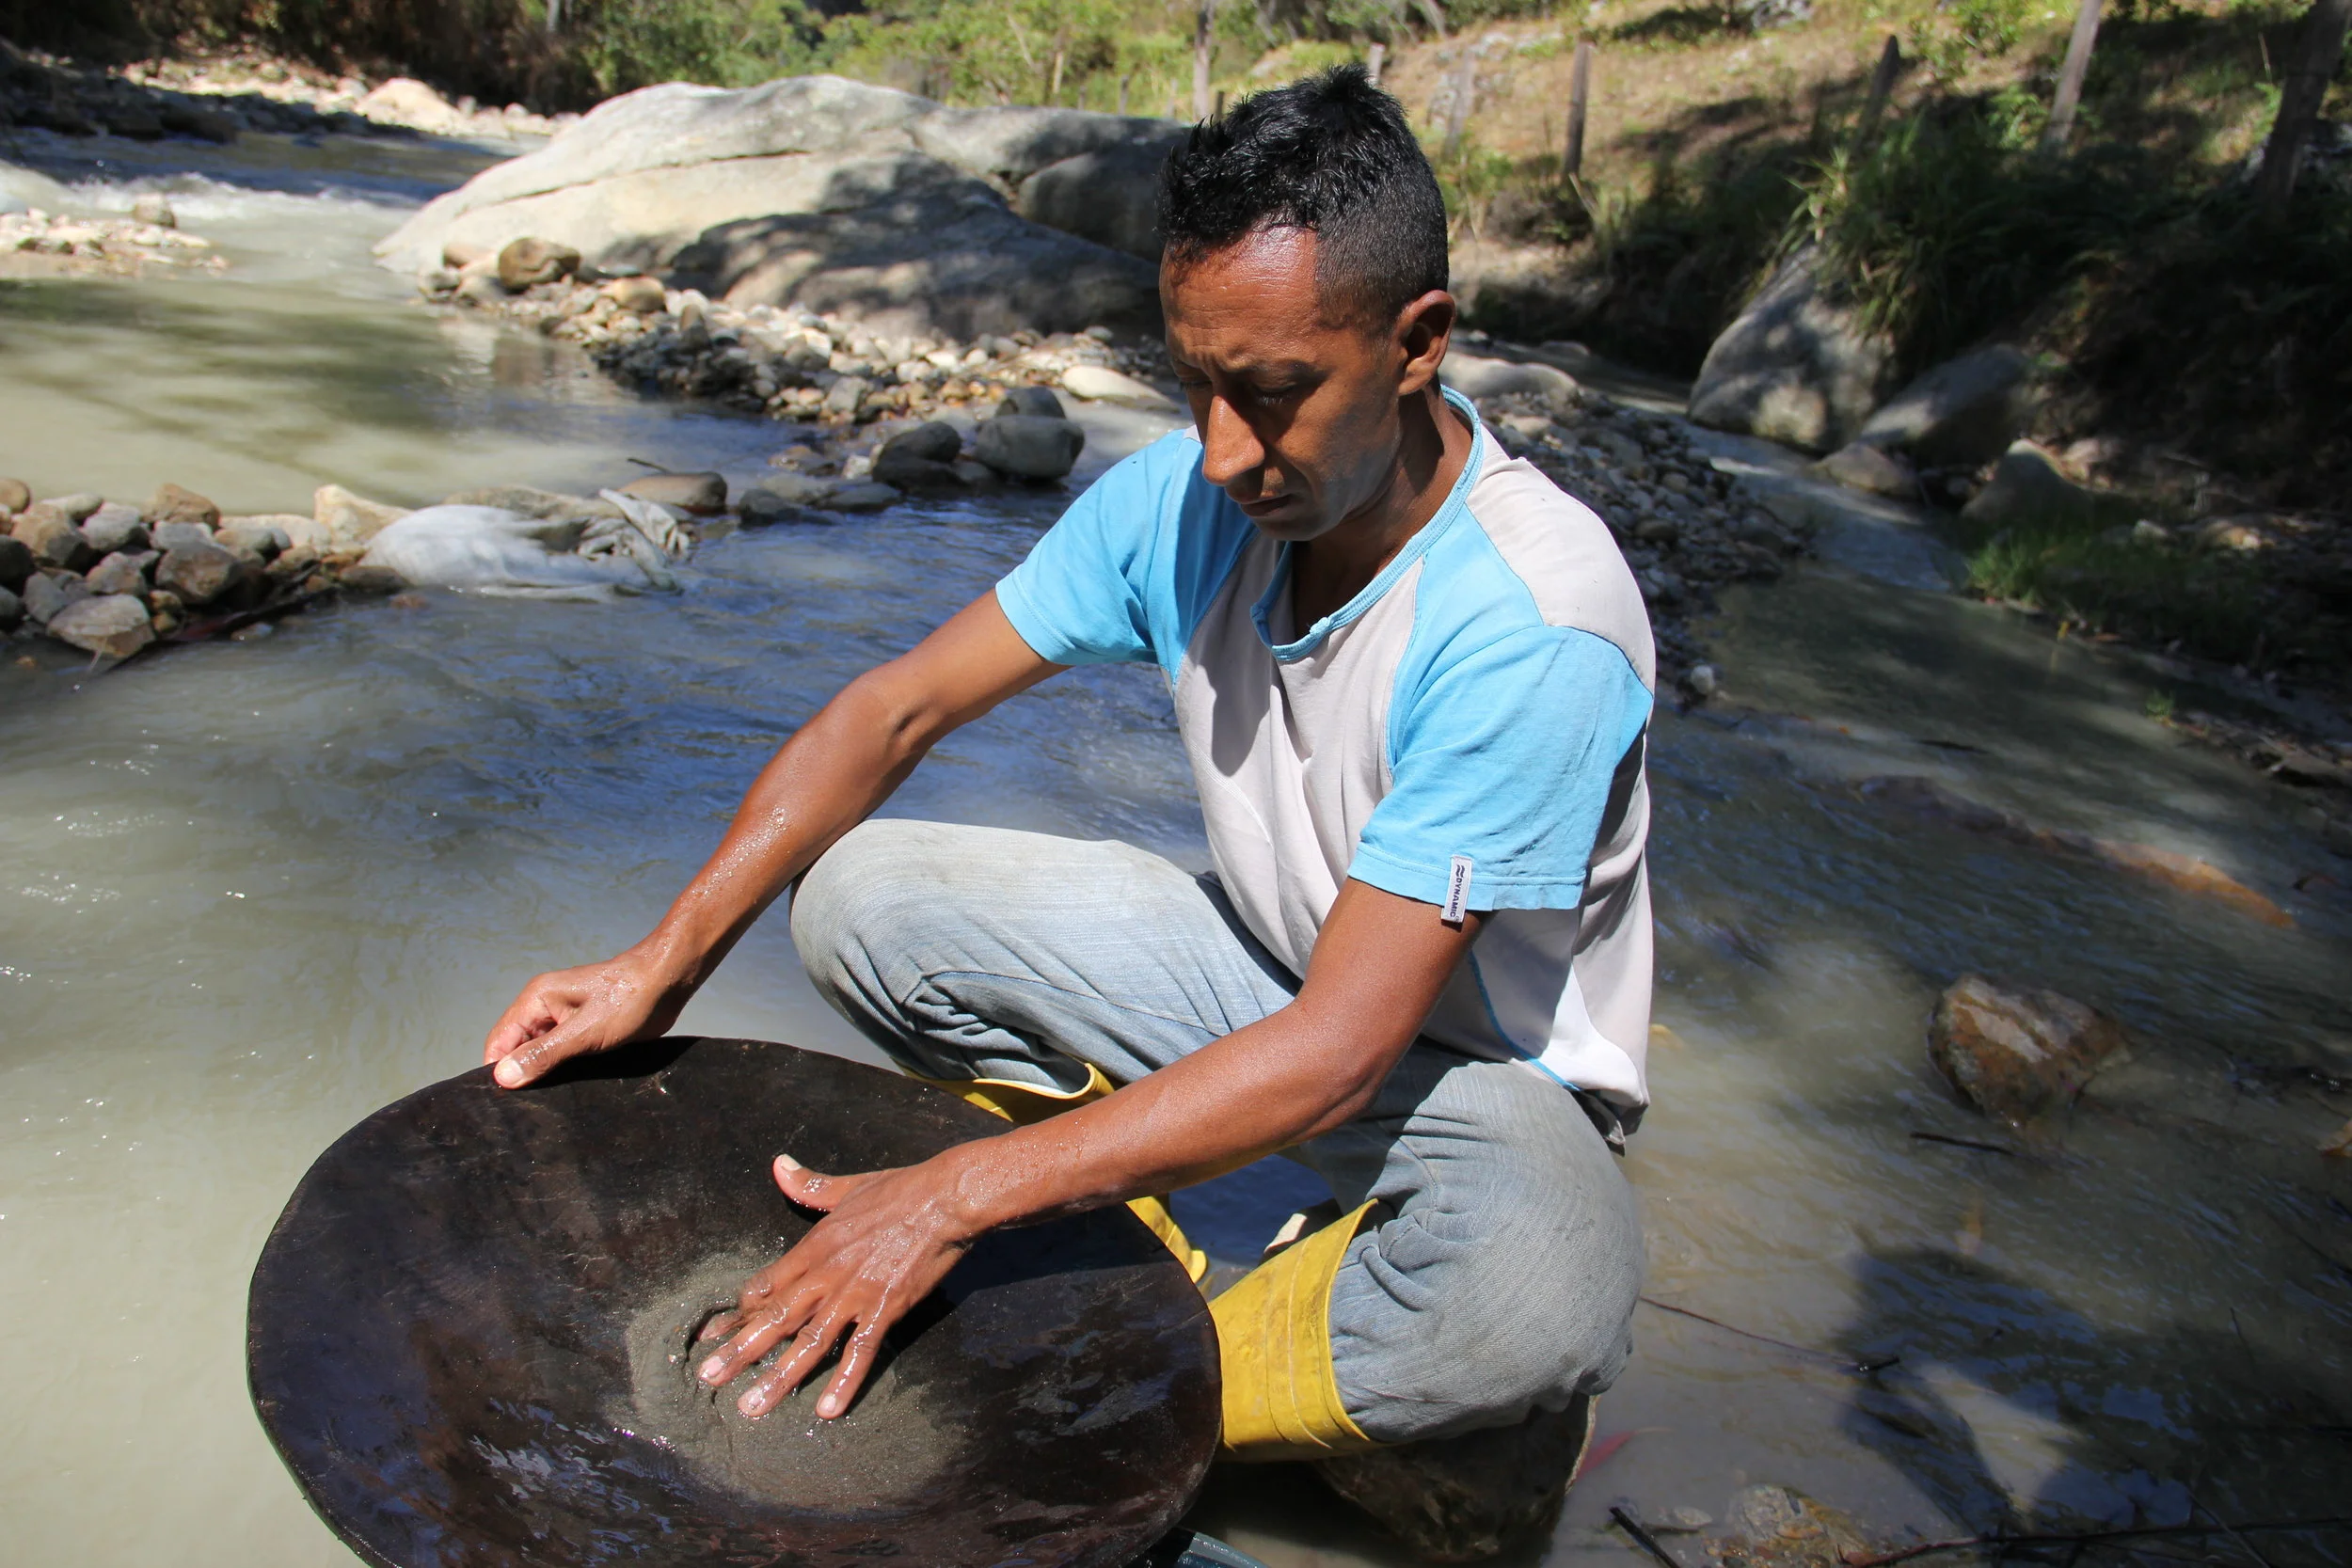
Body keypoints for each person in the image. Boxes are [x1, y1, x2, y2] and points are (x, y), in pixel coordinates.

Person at [483, 66, 1653, 1556]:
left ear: (1420, 345)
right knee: (863, 896)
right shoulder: (1186, 498)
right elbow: (893, 709)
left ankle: (1120, 1379)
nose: (1228, 449)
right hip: (1266, 982)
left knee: (1540, 1275)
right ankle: (1137, 1240)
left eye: (1278, 393)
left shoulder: (1534, 618)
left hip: (1473, 1095)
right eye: (1196, 382)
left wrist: (956, 1199)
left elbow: (1351, 1049)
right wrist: (665, 955)